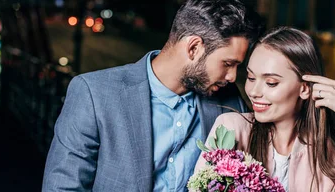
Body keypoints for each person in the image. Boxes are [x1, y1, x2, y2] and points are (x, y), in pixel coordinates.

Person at [41, 0, 263, 191]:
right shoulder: (94, 93)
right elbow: (63, 186)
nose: (233, 76)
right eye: (228, 63)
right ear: (194, 48)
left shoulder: (229, 101)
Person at [195, 27, 335, 191]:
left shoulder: (332, 156)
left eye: (271, 83)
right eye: (251, 78)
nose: (254, 91)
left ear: (304, 89)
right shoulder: (232, 129)